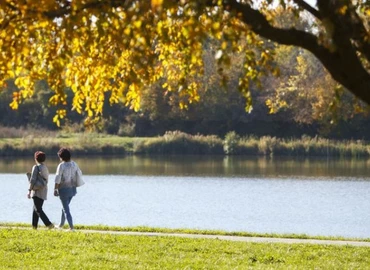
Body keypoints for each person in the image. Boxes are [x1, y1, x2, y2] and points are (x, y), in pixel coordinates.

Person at [54, 147, 82, 231]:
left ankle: (71, 227)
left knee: (66, 209)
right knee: (65, 207)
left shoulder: (61, 166)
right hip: (72, 190)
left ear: (62, 157)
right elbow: (79, 173)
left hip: (63, 190)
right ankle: (61, 224)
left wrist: (55, 189)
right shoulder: (74, 164)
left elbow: (58, 178)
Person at [27, 151, 54, 230]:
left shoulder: (36, 167)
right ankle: (34, 227)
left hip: (36, 191)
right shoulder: (45, 167)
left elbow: (32, 180)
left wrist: (29, 190)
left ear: (35, 158)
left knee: (38, 209)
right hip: (44, 191)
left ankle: (49, 224)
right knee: (35, 209)